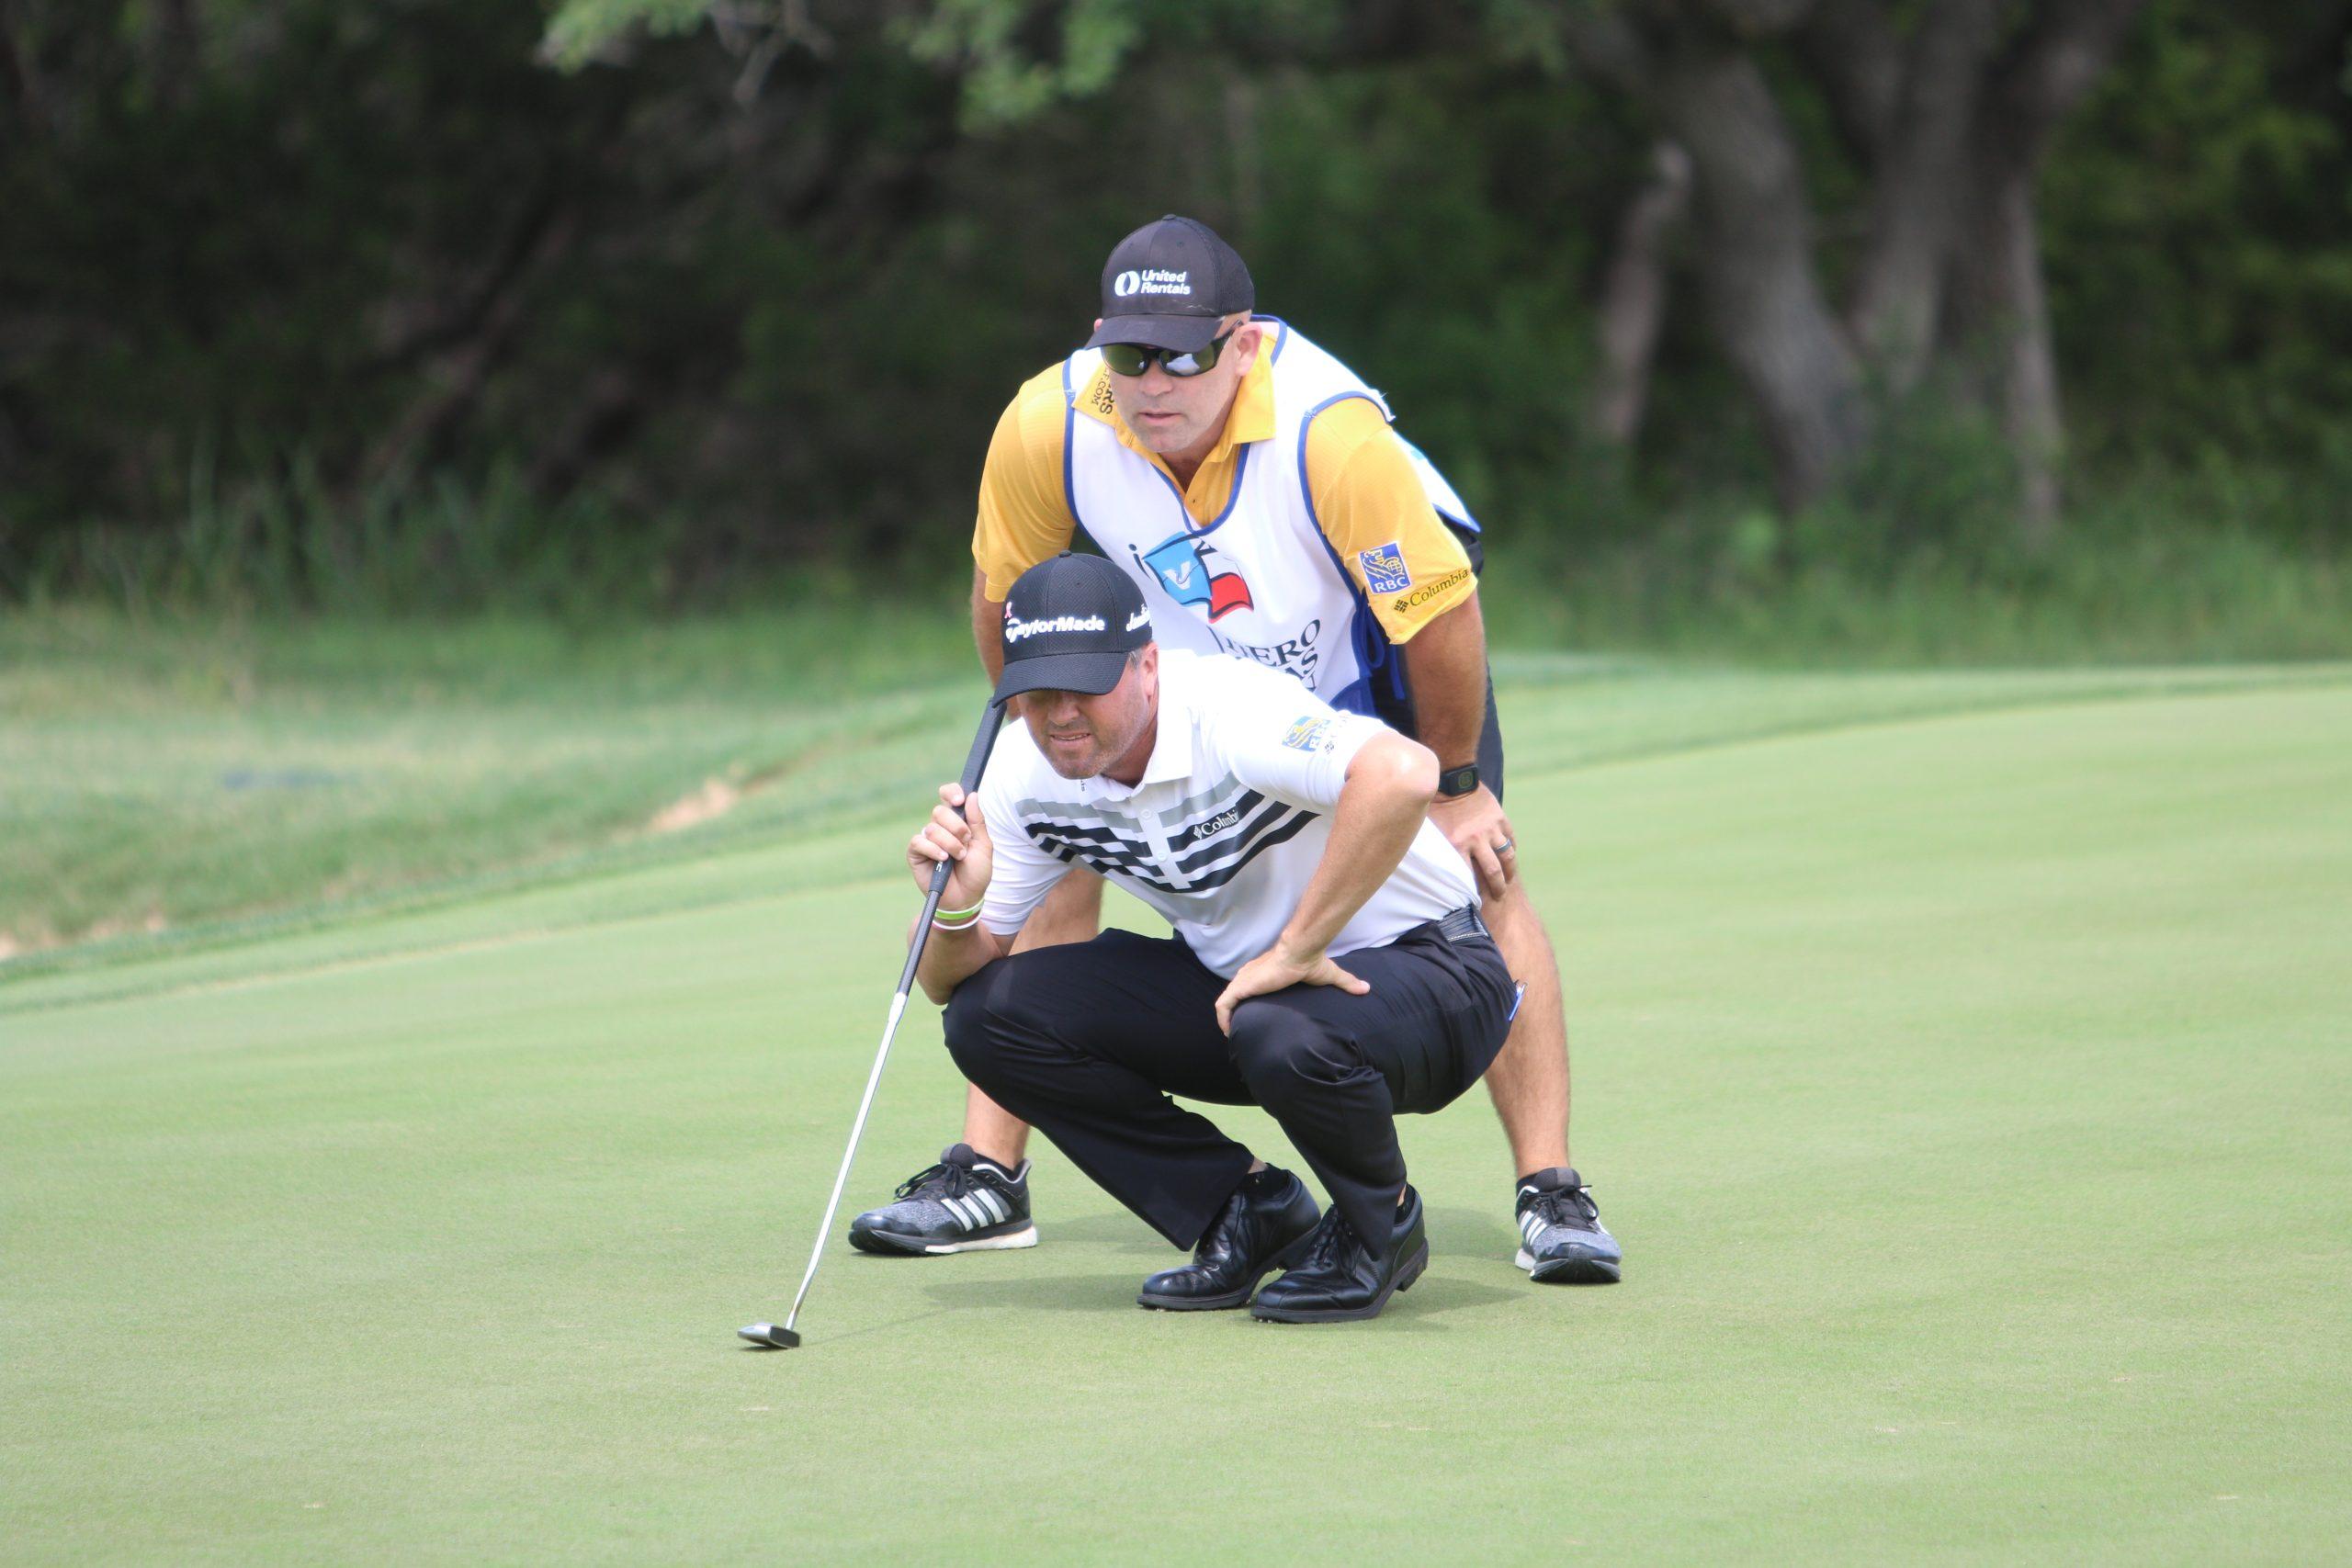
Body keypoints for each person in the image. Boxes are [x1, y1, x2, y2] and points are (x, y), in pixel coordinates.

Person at [851, 214, 1618, 1282]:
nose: (1153, 381)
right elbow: (1005, 600)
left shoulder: (1331, 435)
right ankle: (991, 1173)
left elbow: (1437, 617)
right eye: (1130, 356)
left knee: (1474, 873)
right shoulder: (1047, 423)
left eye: (1186, 354)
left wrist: (1451, 784)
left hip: (1362, 643)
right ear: (1098, 343)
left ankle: (1551, 1192)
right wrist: (1047, 754)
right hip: (1184, 653)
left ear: (1243, 344)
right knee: (1067, 826)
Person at [908, 552, 1520, 1323]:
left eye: (1085, 685)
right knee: (987, 1013)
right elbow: (941, 981)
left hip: (1435, 973)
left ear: (1148, 665)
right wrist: (957, 909)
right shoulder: (1026, 770)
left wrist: (1297, 949)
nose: (1060, 713)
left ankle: (1379, 1226)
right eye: (1036, 691)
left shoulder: (1226, 709)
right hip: (1251, 1000)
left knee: (1280, 1024)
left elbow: (1403, 772)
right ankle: (1246, 1208)